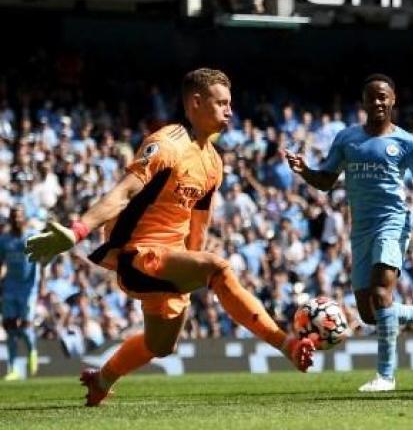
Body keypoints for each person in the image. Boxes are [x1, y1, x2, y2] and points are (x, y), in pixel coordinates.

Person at [25, 68, 314, 406]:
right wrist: (78, 231)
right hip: (138, 256)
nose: (229, 111)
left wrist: (191, 270)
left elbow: (198, 225)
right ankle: (287, 345)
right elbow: (122, 193)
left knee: (161, 345)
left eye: (229, 104)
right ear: (195, 102)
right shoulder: (165, 145)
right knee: (219, 268)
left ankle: (101, 380)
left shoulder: (214, 163)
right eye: (221, 103)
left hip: (170, 262)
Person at [284, 74, 413, 392]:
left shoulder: (406, 142)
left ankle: (386, 376)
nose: (377, 102)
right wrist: (304, 170)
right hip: (360, 229)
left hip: (392, 222)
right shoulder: (347, 139)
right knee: (371, 313)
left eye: (382, 97)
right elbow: (326, 181)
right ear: (363, 102)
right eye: (371, 97)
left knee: (381, 294)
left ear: (393, 100)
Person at [1, 207, 41, 380]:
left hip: (28, 289)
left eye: (19, 216)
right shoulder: (4, 240)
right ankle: (12, 369)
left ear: (24, 218)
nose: (16, 219)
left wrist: (43, 283)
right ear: (10, 219)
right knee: (10, 328)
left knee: (24, 328)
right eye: (13, 217)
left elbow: (42, 260)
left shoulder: (33, 237)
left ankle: (32, 350)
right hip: (10, 287)